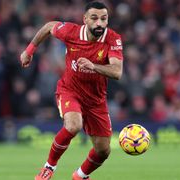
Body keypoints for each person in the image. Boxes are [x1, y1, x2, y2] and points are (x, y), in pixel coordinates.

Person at [20, 1, 123, 180]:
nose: (99, 23)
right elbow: (49, 26)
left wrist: (94, 66)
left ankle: (80, 176)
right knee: (73, 125)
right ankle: (48, 167)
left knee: (103, 150)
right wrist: (29, 50)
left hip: (96, 100)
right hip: (70, 90)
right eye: (94, 18)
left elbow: (117, 72)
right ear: (85, 19)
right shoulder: (71, 32)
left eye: (104, 19)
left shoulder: (112, 39)